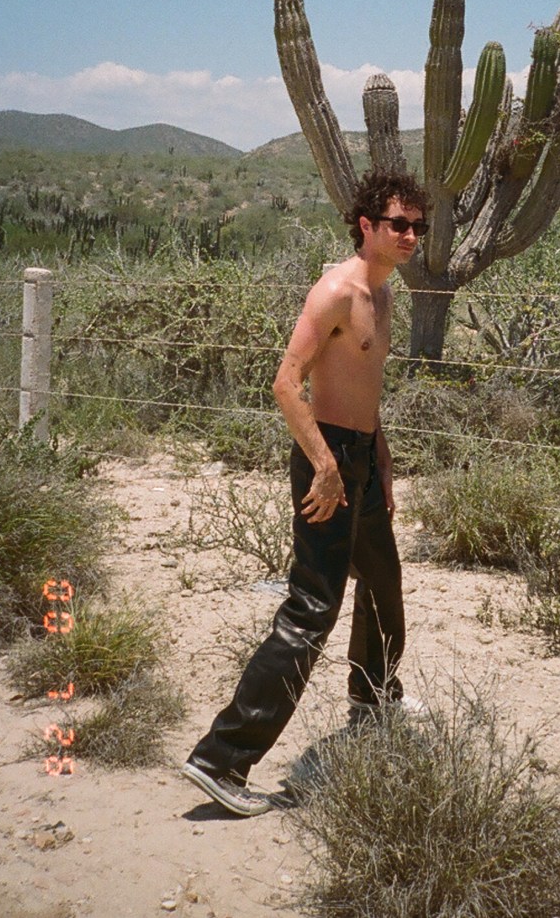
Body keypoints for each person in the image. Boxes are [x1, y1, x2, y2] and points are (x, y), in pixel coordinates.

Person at [181, 170, 431, 815]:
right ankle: (222, 759)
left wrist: (381, 466)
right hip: (329, 463)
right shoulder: (337, 292)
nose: (410, 235)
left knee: (382, 583)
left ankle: (372, 705)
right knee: (312, 609)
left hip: (362, 462)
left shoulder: (385, 293)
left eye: (418, 225)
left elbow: (366, 389)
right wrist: (325, 466)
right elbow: (286, 384)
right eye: (398, 224)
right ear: (366, 226)